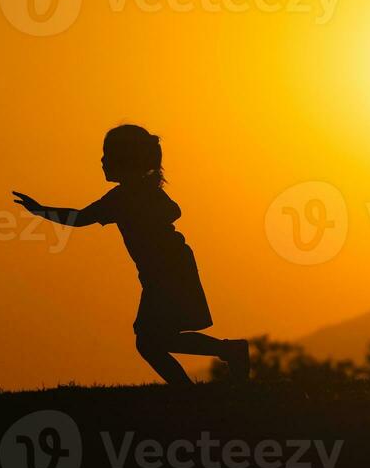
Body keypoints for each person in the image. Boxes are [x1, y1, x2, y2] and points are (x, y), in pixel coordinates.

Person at [13, 125, 248, 385]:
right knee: (155, 339)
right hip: (165, 269)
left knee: (149, 341)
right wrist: (41, 210)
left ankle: (211, 369)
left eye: (107, 154)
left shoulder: (128, 196)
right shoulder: (132, 194)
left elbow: (83, 218)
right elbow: (85, 217)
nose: (102, 161)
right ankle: (226, 355)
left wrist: (40, 211)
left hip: (167, 270)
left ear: (125, 159)